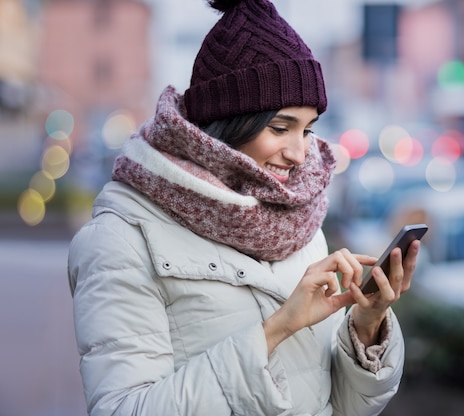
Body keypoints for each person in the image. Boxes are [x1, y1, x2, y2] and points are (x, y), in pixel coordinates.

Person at [67, 0, 421, 415]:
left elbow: (339, 406)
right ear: (226, 123)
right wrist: (275, 330)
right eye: (280, 127)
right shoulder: (121, 240)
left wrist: (367, 325)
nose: (299, 152)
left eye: (308, 129)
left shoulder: (299, 222)